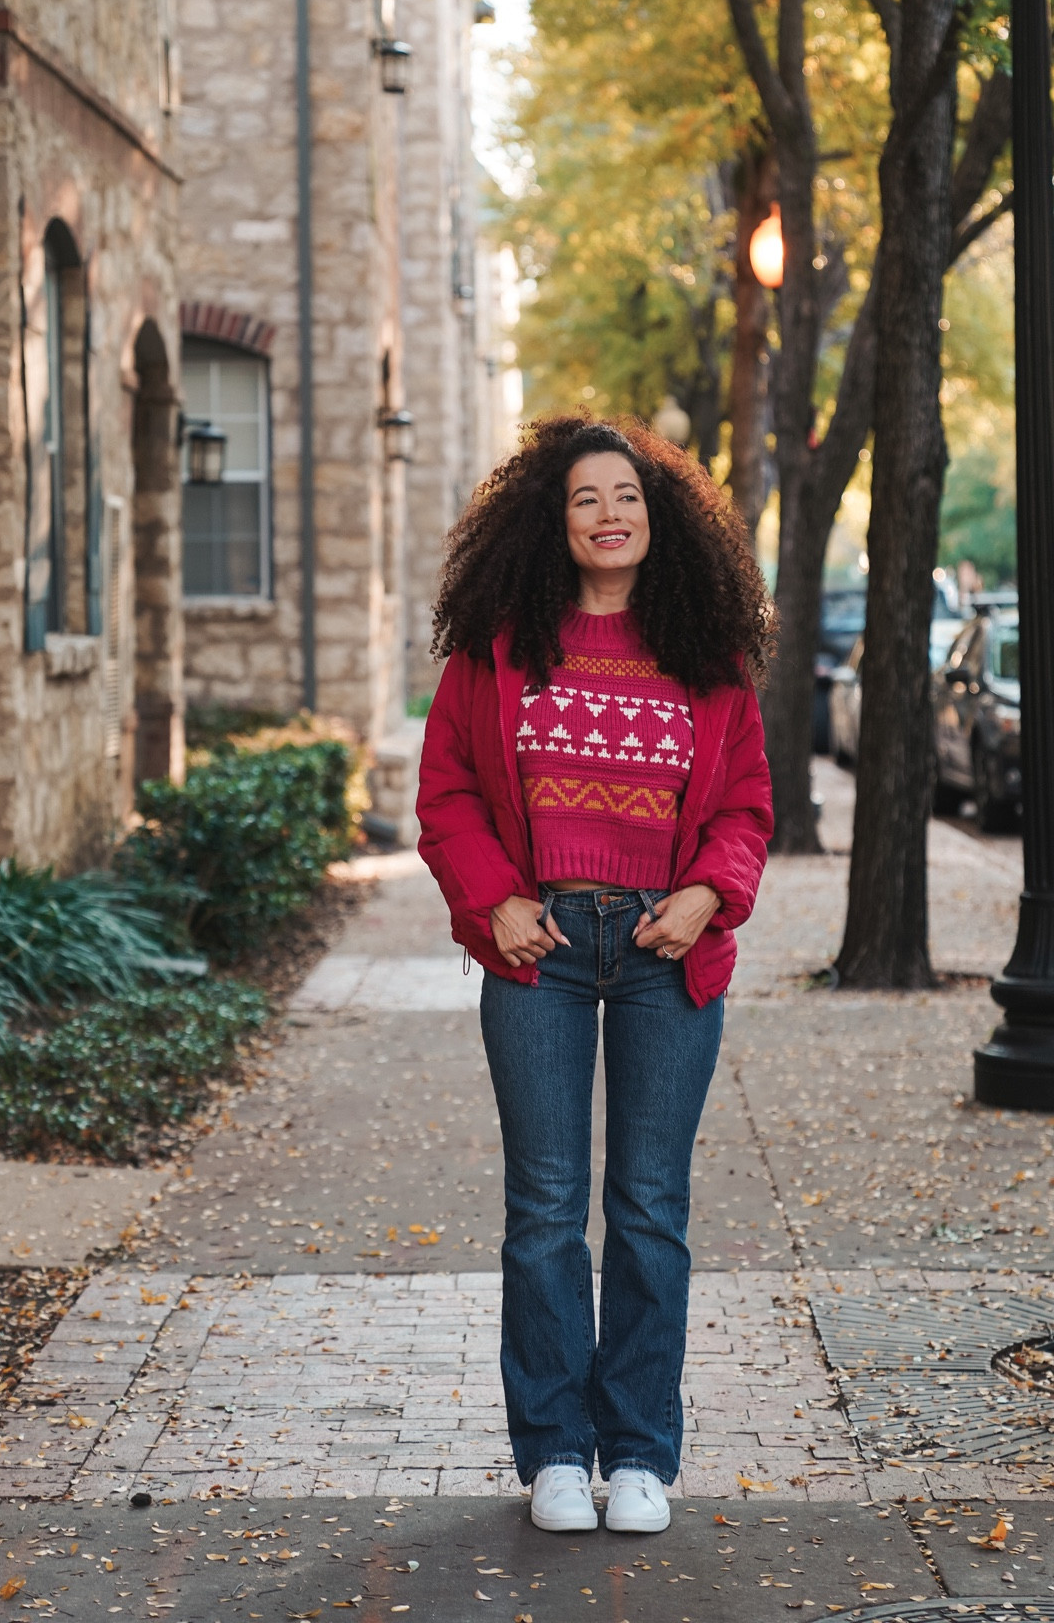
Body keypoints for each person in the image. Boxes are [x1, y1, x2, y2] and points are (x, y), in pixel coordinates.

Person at [417, 416, 775, 1535]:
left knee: (651, 1209)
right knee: (545, 1210)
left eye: (627, 495)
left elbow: (746, 806)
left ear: (658, 520)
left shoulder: (706, 653)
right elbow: (449, 794)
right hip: (544, 953)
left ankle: (639, 1453)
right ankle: (556, 1451)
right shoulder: (498, 648)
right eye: (586, 498)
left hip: (670, 951)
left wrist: (711, 893)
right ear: (552, 520)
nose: (610, 513)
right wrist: (496, 901)